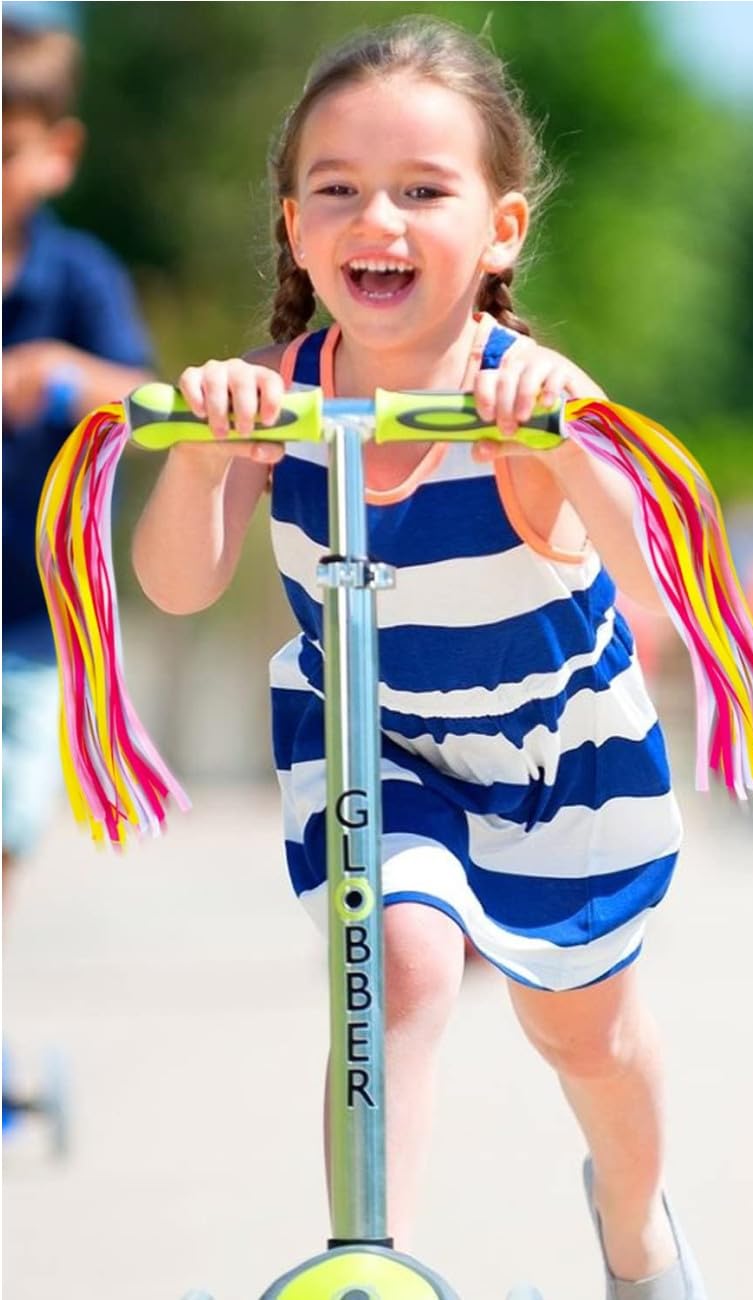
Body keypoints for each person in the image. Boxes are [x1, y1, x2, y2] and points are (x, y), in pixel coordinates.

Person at [130, 19, 705, 1298]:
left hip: (556, 752)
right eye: (337, 189)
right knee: (395, 961)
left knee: (591, 1038)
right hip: (374, 738)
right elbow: (175, 586)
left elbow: (649, 564)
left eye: (421, 190)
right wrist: (217, 452)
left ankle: (638, 1235)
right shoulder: (275, 396)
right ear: (293, 225)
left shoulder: (525, 396)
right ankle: (368, 1263)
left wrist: (559, 439)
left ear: (500, 228)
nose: (374, 217)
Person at [2, 12, 154, 887]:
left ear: (57, 152)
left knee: (10, 816)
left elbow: (145, 400)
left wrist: (57, 372)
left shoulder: (80, 275)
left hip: (35, 611)